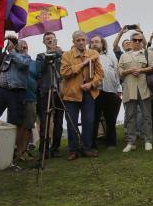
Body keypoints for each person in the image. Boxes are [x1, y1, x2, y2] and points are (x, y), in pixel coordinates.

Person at [60, 30, 104, 160]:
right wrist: (83, 63)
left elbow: (100, 74)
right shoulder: (66, 55)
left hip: (88, 93)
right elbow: (65, 73)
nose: (80, 42)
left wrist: (91, 84)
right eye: (77, 40)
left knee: (88, 121)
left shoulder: (93, 53)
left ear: (86, 41)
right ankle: (73, 150)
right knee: (71, 122)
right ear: (73, 42)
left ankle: (87, 148)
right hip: (71, 94)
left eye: (82, 40)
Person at [0, 35, 32, 159]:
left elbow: (24, 64)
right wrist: (3, 39)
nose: (21, 46)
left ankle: (13, 149)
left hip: (16, 92)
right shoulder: (5, 55)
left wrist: (13, 51)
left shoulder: (25, 57)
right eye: (18, 44)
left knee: (15, 121)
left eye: (19, 44)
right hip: (1, 90)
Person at [119, 31, 153, 151]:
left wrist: (141, 70)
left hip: (144, 88)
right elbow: (119, 71)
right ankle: (131, 142)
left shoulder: (148, 53)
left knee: (146, 116)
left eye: (140, 40)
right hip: (129, 89)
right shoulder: (124, 56)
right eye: (135, 40)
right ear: (131, 42)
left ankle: (148, 140)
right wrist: (129, 71)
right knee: (130, 116)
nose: (138, 42)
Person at [35, 32, 64, 157]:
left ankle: (55, 148)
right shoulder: (40, 56)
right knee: (45, 121)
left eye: (52, 39)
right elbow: (39, 70)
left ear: (56, 40)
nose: (50, 41)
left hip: (60, 91)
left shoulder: (62, 55)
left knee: (59, 121)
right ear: (44, 42)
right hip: (46, 91)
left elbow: (65, 70)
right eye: (47, 39)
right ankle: (44, 149)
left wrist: (59, 54)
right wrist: (49, 56)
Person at [90, 34, 121, 150]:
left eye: (97, 42)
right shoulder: (87, 57)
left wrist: (118, 90)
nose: (94, 44)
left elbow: (117, 72)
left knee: (110, 118)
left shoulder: (110, 56)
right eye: (92, 42)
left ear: (102, 44)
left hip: (110, 91)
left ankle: (111, 143)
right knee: (94, 118)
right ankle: (92, 144)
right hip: (95, 91)